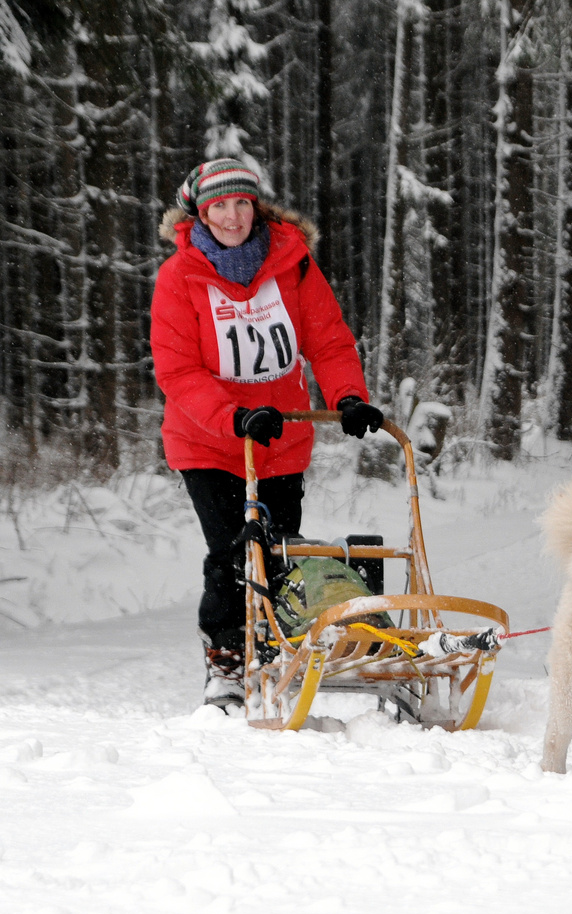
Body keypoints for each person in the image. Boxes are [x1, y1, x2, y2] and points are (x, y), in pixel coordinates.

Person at [151, 158, 385, 709]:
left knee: (278, 553)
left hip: (280, 439)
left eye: (241, 203)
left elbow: (327, 339)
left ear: (255, 206)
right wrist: (233, 416)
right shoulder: (178, 277)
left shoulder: (292, 262)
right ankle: (228, 664)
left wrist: (347, 397)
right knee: (233, 550)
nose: (232, 217)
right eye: (218, 207)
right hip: (208, 441)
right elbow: (177, 371)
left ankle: (272, 648)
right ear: (200, 213)